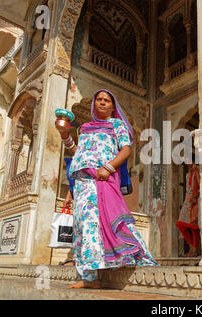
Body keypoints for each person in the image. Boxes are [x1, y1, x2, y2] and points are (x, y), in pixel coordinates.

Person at [55, 89, 158, 289]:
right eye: (99, 100)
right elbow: (78, 154)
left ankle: (98, 273)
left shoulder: (117, 125)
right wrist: (66, 136)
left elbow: (126, 149)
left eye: (106, 100)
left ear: (113, 106)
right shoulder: (85, 127)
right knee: (83, 225)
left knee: (100, 223)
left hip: (102, 179)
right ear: (94, 104)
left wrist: (108, 168)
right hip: (83, 182)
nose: (102, 102)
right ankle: (89, 275)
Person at [176, 157, 200, 257]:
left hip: (196, 199)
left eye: (189, 161)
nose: (187, 163)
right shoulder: (187, 175)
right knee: (181, 224)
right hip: (188, 200)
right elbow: (187, 190)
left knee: (194, 226)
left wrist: (197, 170)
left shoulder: (197, 171)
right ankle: (191, 248)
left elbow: (200, 185)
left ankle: (194, 250)